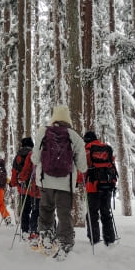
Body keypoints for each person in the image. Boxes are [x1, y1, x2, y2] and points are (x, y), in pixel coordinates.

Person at [31, 105, 87, 258]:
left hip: (45, 182)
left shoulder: (43, 133)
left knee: (46, 210)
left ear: (54, 118)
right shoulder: (75, 136)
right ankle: (64, 242)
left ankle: (47, 238)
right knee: (64, 214)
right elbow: (82, 167)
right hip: (65, 183)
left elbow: (35, 158)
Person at [81, 131, 117, 246]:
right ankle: (110, 239)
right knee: (106, 212)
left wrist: (79, 182)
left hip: (93, 187)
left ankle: (94, 239)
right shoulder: (107, 148)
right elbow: (112, 165)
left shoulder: (87, 149)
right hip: (107, 185)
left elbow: (83, 168)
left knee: (92, 214)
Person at [9, 137, 40, 241]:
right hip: (34, 188)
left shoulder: (18, 156)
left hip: (22, 187)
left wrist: (13, 183)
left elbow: (14, 171)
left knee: (25, 210)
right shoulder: (34, 154)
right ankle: (33, 230)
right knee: (35, 210)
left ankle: (25, 231)